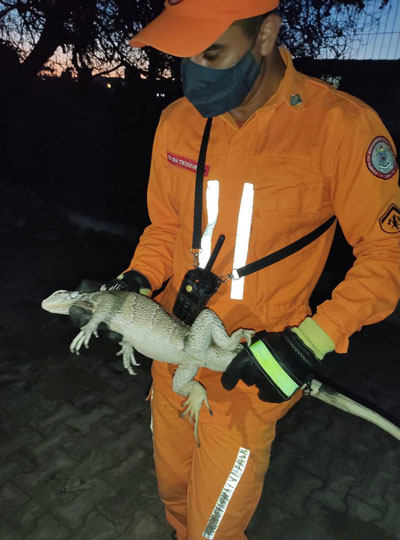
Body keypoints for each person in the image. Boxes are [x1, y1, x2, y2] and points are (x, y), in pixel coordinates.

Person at [101, 1, 400, 538]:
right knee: (173, 494)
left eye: (212, 53)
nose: (193, 73)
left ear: (265, 34)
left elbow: (387, 256)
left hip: (250, 377)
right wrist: (136, 281)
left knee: (211, 530)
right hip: (172, 354)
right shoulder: (176, 123)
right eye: (183, 56)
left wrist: (308, 343)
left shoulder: (341, 127)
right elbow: (164, 228)